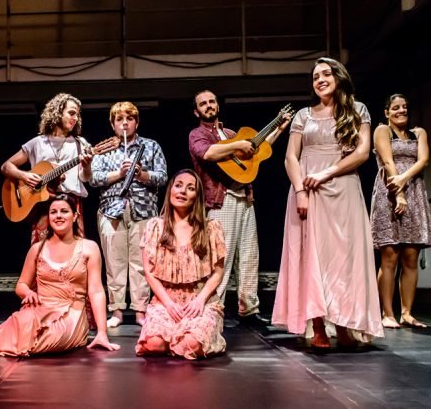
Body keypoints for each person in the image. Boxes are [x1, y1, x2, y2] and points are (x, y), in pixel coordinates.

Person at [272, 57, 384, 348]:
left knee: (344, 258)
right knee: (312, 256)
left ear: (338, 76)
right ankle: (319, 325)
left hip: (343, 188)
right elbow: (290, 157)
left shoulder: (358, 110)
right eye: (315, 77)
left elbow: (362, 153)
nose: (320, 80)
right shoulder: (303, 115)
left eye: (325, 74)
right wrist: (300, 191)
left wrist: (327, 173)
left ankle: (345, 325)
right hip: (308, 190)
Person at [0, 194, 120, 356]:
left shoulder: (89, 248)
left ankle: (18, 343)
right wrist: (28, 293)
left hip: (71, 313)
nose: (58, 216)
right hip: (40, 309)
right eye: (53, 212)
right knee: (21, 322)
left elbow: (96, 291)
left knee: (50, 336)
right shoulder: (37, 249)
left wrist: (102, 332)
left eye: (64, 211)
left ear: (75, 216)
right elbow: (21, 285)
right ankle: (14, 341)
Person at [188, 90, 289, 325]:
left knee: (249, 254)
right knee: (221, 258)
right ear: (197, 111)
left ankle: (249, 309)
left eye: (212, 101)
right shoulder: (198, 134)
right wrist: (237, 146)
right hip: (221, 200)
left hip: (244, 197)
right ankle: (215, 310)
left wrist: (278, 130)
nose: (209, 105)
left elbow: (258, 151)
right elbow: (207, 153)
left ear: (217, 105)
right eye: (203, 104)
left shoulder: (231, 134)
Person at [90, 101, 167, 328]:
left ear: (137, 122)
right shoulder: (104, 149)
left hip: (143, 211)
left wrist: (142, 174)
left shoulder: (151, 146)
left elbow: (163, 176)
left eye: (129, 118)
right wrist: (119, 173)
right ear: (113, 124)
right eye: (119, 119)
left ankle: (141, 311)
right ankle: (117, 311)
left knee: (141, 264)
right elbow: (93, 178)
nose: (125, 123)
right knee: (114, 263)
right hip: (111, 210)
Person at [136, 169, 226, 359]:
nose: (182, 191)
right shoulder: (155, 226)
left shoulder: (210, 228)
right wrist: (168, 304)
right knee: (153, 344)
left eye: (190, 188)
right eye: (178, 185)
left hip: (199, 301)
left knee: (191, 344)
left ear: (197, 196)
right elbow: (149, 272)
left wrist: (200, 300)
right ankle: (173, 338)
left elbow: (218, 273)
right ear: (170, 190)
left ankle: (185, 338)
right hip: (166, 301)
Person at [370, 94, 431, 329]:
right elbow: (388, 162)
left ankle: (407, 313)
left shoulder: (419, 133)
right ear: (387, 112)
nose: (401, 110)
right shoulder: (382, 130)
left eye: (404, 107)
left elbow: (423, 160)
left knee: (411, 257)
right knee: (390, 256)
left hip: (414, 194)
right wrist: (399, 193)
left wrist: (404, 179)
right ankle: (387, 313)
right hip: (389, 193)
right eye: (395, 107)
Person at [1, 93, 92, 243]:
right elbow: (6, 166)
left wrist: (87, 165)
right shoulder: (37, 143)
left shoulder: (80, 143)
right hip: (42, 206)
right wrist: (24, 176)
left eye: (77, 115)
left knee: (75, 250)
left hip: (71, 204)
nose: (75, 118)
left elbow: (85, 178)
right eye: (71, 113)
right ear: (58, 112)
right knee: (42, 251)